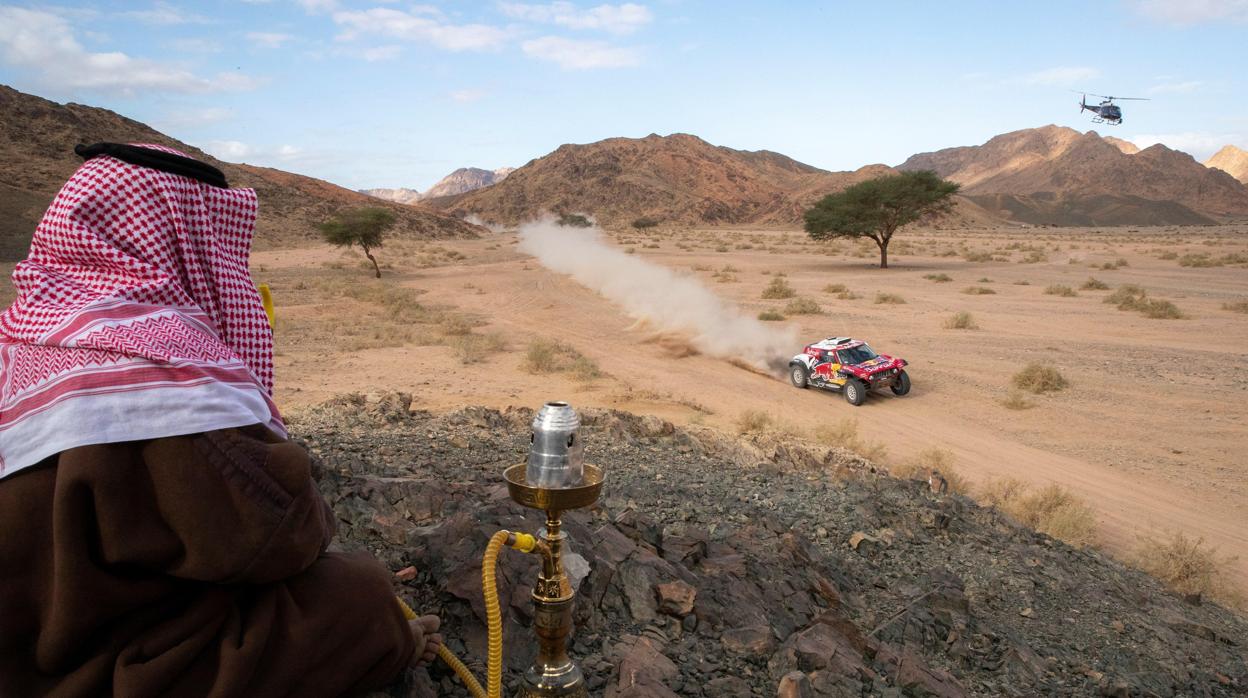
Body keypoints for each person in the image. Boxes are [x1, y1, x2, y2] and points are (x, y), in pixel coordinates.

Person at [0, 143, 440, 696]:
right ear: (183, 234)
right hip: (94, 665)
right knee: (360, 595)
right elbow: (282, 537)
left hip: (25, 646)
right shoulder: (161, 369)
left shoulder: (19, 336)